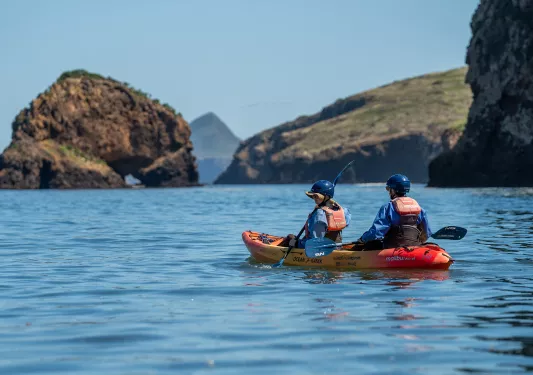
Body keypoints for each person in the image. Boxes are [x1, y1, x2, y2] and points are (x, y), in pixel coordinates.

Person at [355, 174, 431, 249]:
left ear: (393, 190)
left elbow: (376, 232)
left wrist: (363, 239)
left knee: (370, 244)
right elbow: (426, 233)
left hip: (392, 247)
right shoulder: (419, 209)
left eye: (389, 189)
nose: (389, 192)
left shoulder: (388, 207)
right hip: (413, 246)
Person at [280, 180, 351, 248]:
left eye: (316, 196)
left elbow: (315, 241)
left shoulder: (319, 214)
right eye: (313, 196)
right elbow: (346, 223)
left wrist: (295, 243)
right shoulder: (343, 210)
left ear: (326, 197)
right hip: (336, 246)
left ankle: (283, 249)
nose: (314, 199)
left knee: (290, 238)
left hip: (318, 249)